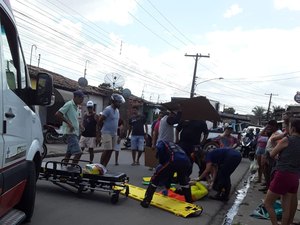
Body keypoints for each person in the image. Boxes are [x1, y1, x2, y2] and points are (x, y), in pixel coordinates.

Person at [264, 118, 300, 225]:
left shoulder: (287, 140)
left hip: (283, 174)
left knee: (268, 203)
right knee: (286, 208)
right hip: (295, 177)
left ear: (292, 128)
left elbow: (272, 154)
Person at [140, 140, 192, 208]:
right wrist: (168, 186)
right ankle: (189, 202)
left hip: (174, 160)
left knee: (156, 177)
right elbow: (170, 173)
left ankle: (146, 201)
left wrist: (161, 164)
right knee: (183, 180)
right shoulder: (175, 145)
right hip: (186, 162)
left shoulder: (161, 143)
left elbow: (161, 154)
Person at [55, 90, 84, 165]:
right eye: (81, 98)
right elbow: (58, 114)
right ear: (76, 97)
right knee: (78, 153)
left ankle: (64, 169)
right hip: (70, 133)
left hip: (75, 133)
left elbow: (75, 118)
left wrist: (80, 126)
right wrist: (68, 123)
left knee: (69, 153)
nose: (82, 100)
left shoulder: (76, 107)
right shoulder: (69, 104)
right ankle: (73, 169)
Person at [96, 93, 125, 167]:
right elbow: (100, 121)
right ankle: (100, 166)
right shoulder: (108, 109)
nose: (120, 104)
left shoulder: (117, 111)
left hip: (114, 133)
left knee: (111, 150)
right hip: (106, 132)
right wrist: (98, 133)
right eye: (118, 102)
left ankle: (104, 166)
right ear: (114, 102)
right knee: (107, 149)